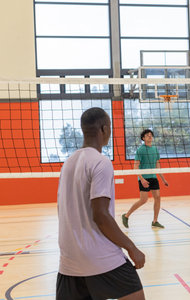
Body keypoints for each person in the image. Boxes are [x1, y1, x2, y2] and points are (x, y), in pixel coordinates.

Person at [57, 107, 146, 300]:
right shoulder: (101, 162)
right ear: (104, 129)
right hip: (100, 258)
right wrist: (132, 247)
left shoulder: (68, 163)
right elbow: (100, 215)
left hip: (69, 261)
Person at [122, 129, 169, 229]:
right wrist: (142, 179)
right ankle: (126, 216)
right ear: (143, 138)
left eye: (151, 135)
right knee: (143, 200)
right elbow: (135, 167)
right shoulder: (140, 150)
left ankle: (155, 221)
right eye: (147, 135)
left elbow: (158, 165)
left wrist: (163, 179)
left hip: (153, 177)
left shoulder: (155, 149)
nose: (150, 136)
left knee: (157, 197)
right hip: (144, 178)